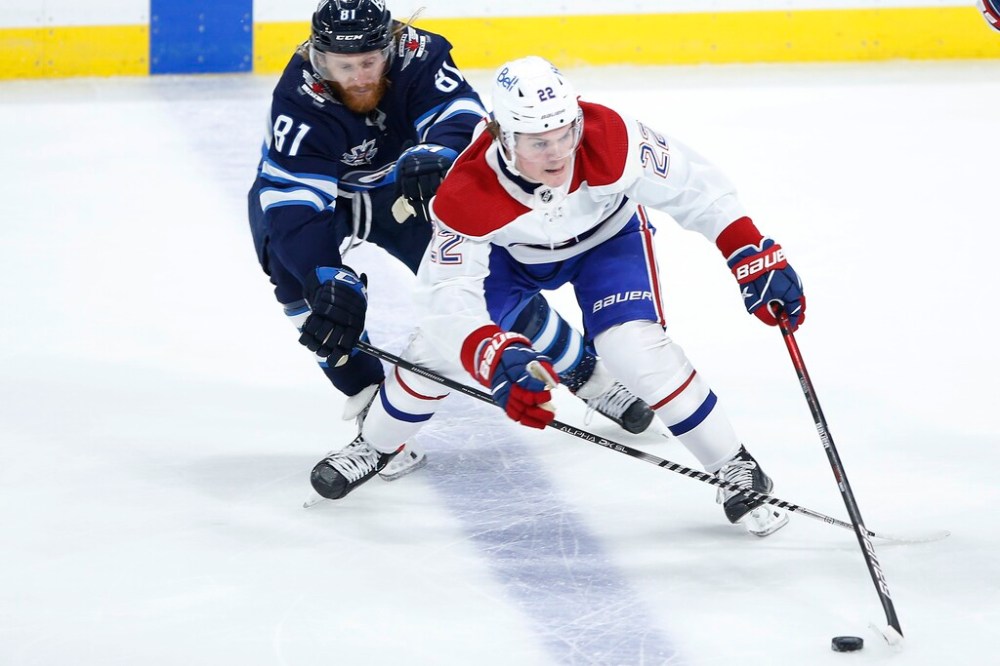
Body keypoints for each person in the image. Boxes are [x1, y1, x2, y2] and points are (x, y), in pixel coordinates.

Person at [309, 55, 807, 537]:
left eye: (564, 132)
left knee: (633, 348)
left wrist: (749, 250)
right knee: (437, 353)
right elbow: (445, 296)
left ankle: (734, 466)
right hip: (511, 257)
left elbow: (695, 189)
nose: (556, 152)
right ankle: (376, 446)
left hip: (607, 244)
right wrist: (488, 354)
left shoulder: (610, 136)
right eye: (535, 141)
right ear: (502, 135)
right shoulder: (466, 189)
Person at [248, 4, 654, 484]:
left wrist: (437, 151)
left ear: (391, 46)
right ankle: (372, 415)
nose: (358, 77)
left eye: (369, 62)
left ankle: (585, 374)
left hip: (404, 189)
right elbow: (296, 205)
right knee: (308, 290)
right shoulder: (299, 97)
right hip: (330, 203)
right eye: (343, 66)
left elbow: (461, 114)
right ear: (319, 59)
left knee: (482, 284)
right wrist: (325, 277)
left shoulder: (420, 54)